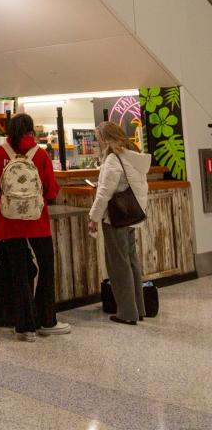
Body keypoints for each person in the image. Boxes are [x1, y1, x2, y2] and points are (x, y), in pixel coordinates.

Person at [0, 114, 70, 341]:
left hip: (8, 221)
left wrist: (7, 200)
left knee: (19, 272)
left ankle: (25, 327)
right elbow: (51, 189)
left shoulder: (0, 154)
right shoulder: (40, 154)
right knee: (46, 266)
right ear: (31, 130)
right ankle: (47, 320)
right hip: (37, 221)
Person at [88, 121, 151, 325]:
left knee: (118, 264)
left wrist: (94, 218)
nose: (98, 143)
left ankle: (126, 312)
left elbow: (105, 193)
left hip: (116, 217)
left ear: (106, 139)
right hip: (133, 214)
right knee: (131, 261)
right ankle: (138, 308)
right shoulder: (133, 155)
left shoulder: (113, 158)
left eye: (99, 139)